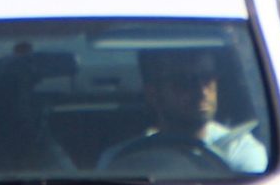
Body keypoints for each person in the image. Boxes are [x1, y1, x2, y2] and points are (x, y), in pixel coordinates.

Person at [99, 46, 268, 175]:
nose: (201, 91)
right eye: (184, 81)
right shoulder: (120, 159)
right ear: (154, 94)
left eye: (208, 78)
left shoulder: (241, 152)